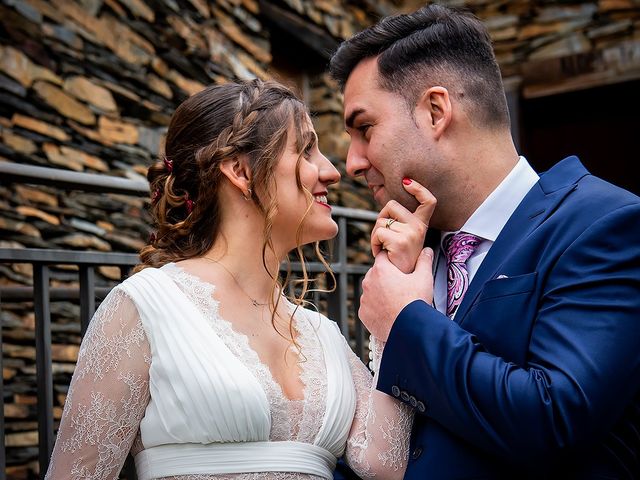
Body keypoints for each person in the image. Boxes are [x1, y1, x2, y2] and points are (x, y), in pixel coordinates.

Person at [44, 79, 415, 479]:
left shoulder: (321, 334)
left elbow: (384, 465)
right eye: (306, 149)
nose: (331, 171)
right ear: (241, 170)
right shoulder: (146, 307)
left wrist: (399, 310)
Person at [329, 4, 640, 479]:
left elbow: (553, 418)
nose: (351, 162)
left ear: (436, 111)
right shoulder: (410, 260)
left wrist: (405, 322)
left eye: (364, 128)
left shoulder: (605, 223)